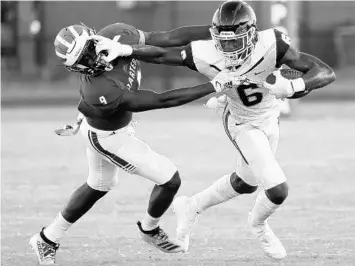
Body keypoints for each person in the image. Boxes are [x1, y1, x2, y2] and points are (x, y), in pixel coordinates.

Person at [95, 0, 336, 259]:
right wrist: (123, 49)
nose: (229, 48)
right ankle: (259, 226)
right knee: (277, 189)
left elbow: (324, 72)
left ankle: (191, 206)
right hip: (241, 123)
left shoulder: (273, 44)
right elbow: (163, 55)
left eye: (235, 41)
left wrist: (294, 86)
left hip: (269, 118)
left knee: (245, 183)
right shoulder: (204, 53)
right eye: (224, 42)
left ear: (252, 35)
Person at [29, 22, 242, 265]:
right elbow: (163, 100)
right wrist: (214, 85)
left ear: (95, 37)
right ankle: (149, 229)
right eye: (82, 60)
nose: (90, 60)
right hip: (108, 137)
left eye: (89, 50)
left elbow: (168, 37)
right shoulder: (101, 90)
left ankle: (46, 238)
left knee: (99, 184)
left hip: (102, 125)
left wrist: (218, 30)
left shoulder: (118, 33)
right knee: (169, 178)